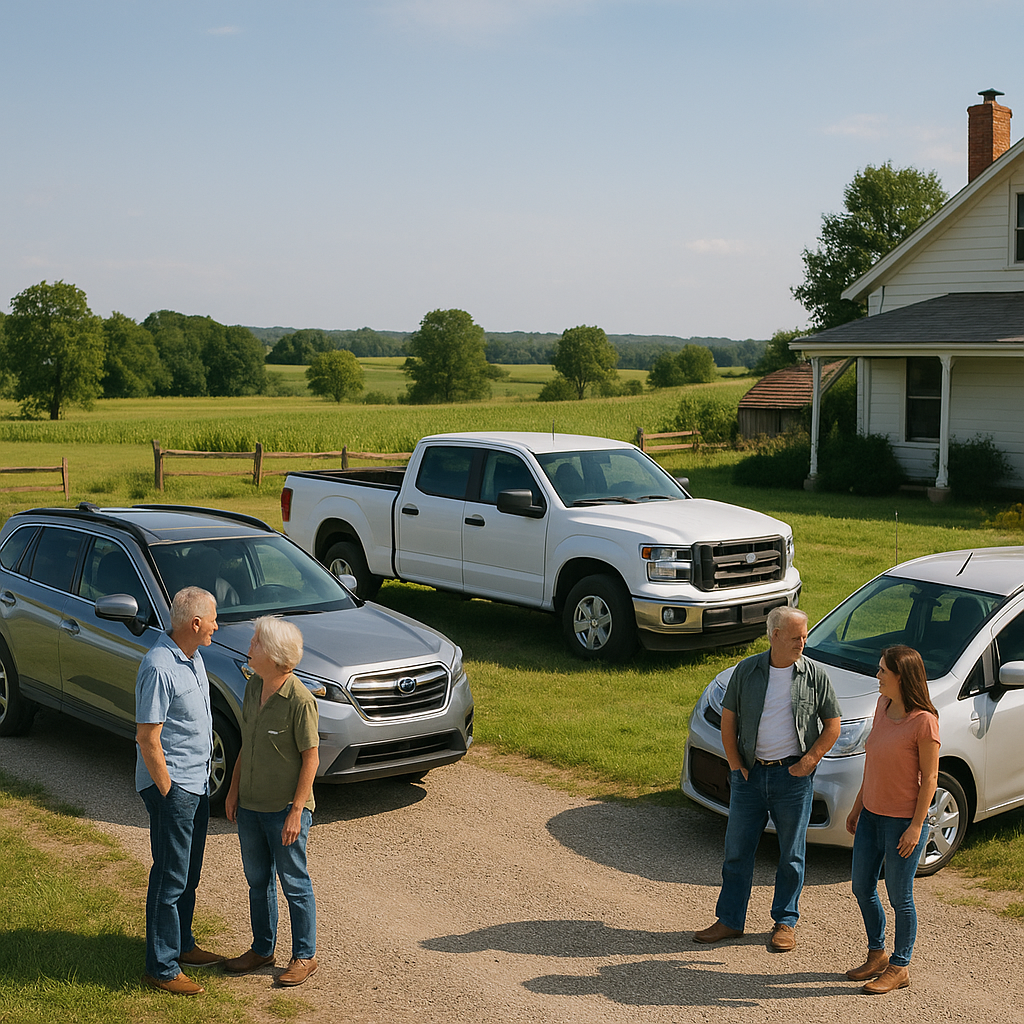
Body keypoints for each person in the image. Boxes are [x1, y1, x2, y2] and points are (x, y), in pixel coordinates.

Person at [694, 606, 841, 952]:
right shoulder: (746, 671)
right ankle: (730, 920)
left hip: (793, 780)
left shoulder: (814, 676)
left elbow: (832, 725)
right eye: (796, 637)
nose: (802, 643)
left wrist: (808, 762)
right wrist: (736, 766)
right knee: (736, 852)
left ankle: (785, 922)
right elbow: (728, 721)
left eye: (805, 636)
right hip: (749, 777)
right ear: (774, 636)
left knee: (791, 854)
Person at [136, 586, 224, 996]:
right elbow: (148, 738)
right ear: (195, 623)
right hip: (174, 789)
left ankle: (183, 946)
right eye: (213, 619)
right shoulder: (159, 666)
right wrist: (169, 791)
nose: (216, 625)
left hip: (197, 783)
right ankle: (162, 967)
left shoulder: (193, 657)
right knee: (170, 877)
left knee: (188, 874)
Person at [224, 616, 320, 987]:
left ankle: (304, 956)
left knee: (294, 882)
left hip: (284, 812)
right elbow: (248, 742)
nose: (250, 647)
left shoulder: (300, 700)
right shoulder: (252, 688)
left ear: (277, 656)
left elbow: (311, 758)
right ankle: (263, 949)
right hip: (250, 807)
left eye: (256, 643)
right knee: (257, 880)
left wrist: (297, 812)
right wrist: (233, 791)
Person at [845, 645, 939, 994]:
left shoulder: (925, 722)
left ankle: (900, 966)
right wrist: (858, 807)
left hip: (902, 822)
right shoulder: (882, 707)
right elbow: (874, 762)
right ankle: (877, 953)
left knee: (901, 897)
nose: (878, 675)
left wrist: (916, 826)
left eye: (883, 670)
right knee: (861, 887)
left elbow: (930, 778)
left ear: (902, 677)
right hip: (871, 815)